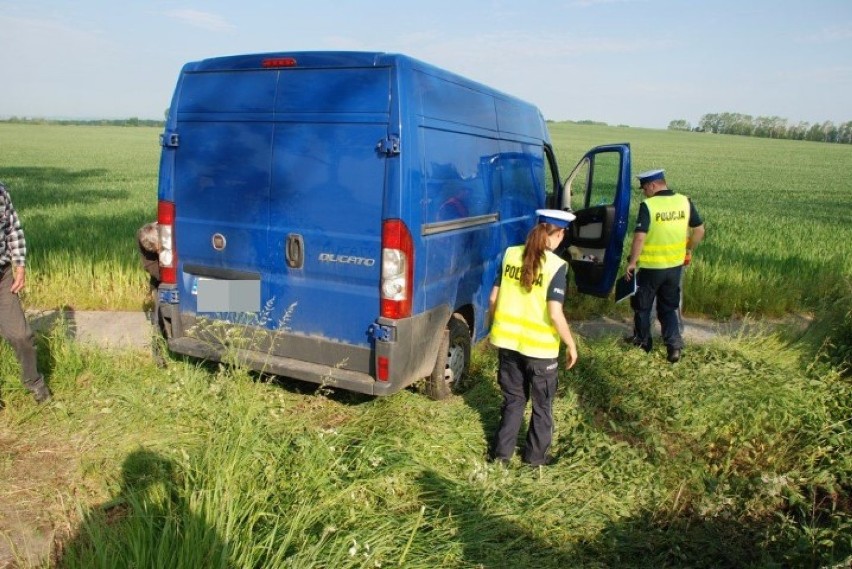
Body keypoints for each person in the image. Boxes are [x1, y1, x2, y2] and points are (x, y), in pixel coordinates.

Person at [488, 209, 579, 467]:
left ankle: (501, 457)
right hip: (540, 352)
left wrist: (495, 326)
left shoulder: (510, 255)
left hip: (507, 345)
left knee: (513, 400)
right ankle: (535, 460)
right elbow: (555, 313)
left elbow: (493, 299)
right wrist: (571, 344)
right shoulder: (556, 266)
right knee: (542, 406)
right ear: (558, 234)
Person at [625, 169, 705, 363]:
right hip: (675, 267)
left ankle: (643, 343)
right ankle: (674, 347)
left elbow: (640, 236)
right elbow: (699, 230)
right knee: (668, 307)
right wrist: (688, 249)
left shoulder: (649, 205)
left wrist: (632, 262)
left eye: (644, 188)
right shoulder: (684, 201)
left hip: (651, 268)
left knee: (643, 306)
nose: (644, 192)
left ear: (653, 185)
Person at [0, 181, 51, 407]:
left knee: (21, 335)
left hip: (3, 275)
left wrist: (19, 265)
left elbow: (13, 229)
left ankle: (34, 382)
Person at [137, 221, 166, 367]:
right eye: (155, 250)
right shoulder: (143, 239)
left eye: (158, 248)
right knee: (158, 316)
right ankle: (158, 357)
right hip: (162, 275)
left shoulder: (168, 228)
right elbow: (149, 265)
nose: (157, 252)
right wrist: (166, 276)